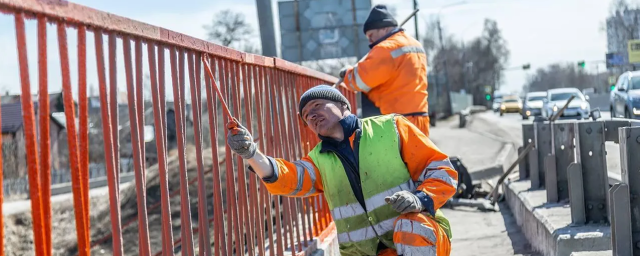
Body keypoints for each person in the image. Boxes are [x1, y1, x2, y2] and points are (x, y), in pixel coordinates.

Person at [226, 85, 457, 256]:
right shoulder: (318, 159)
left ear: (342, 105)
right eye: (307, 115)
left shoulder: (392, 128)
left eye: (316, 106)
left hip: (419, 240)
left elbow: (442, 170)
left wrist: (419, 199)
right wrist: (252, 154)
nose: (312, 115)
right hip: (364, 253)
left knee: (411, 225)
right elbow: (289, 177)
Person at [339, 4, 432, 137]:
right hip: (420, 118)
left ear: (384, 29)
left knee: (396, 158)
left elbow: (359, 81)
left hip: (398, 123)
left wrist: (347, 73)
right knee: (419, 157)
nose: (370, 41)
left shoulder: (385, 49)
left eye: (371, 35)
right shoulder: (415, 44)